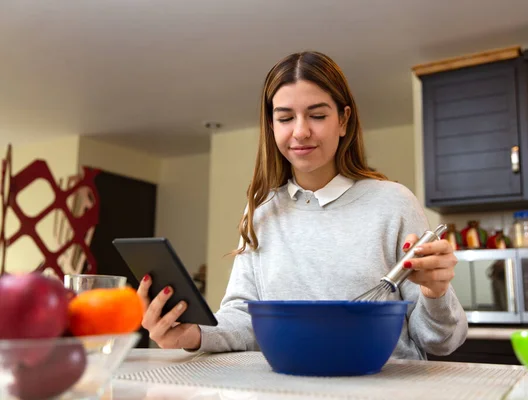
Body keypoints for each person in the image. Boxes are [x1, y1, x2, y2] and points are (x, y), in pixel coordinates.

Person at [137, 51, 468, 360]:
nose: (300, 132)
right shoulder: (262, 210)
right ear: (271, 125)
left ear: (343, 120)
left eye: (318, 115)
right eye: (285, 118)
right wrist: (191, 334)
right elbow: (244, 318)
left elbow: (440, 341)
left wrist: (435, 292)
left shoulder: (393, 203)